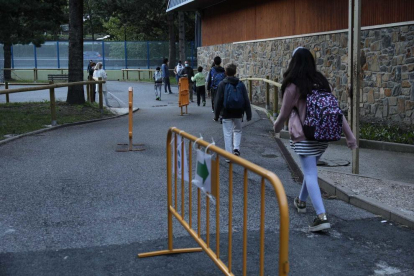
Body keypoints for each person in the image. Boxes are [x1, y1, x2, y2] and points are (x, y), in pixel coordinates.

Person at [273, 47, 357, 232]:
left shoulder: (293, 85)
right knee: (309, 171)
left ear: (293, 62)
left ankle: (321, 217)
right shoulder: (322, 82)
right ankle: (301, 202)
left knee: (310, 174)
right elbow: (337, 113)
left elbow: (284, 114)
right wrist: (350, 137)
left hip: (304, 136)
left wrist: (276, 128)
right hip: (322, 136)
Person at [214, 63, 252, 161]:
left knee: (227, 133)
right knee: (238, 130)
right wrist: (248, 113)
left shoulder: (222, 84)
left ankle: (228, 156)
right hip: (239, 112)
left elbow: (218, 101)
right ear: (235, 72)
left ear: (226, 72)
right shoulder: (240, 84)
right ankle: (236, 149)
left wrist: (216, 115)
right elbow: (246, 99)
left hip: (226, 113)